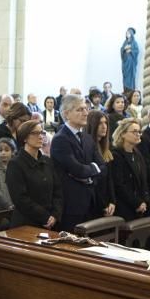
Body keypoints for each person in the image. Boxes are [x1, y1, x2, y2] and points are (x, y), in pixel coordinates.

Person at [51, 95, 103, 231]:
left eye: (86, 109)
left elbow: (103, 166)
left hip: (91, 201)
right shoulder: (60, 139)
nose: (86, 113)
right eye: (80, 110)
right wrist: (93, 169)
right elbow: (76, 169)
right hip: (71, 204)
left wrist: (89, 175)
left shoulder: (87, 137)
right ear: (67, 114)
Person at [6, 120, 62, 229]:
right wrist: (45, 217)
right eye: (35, 133)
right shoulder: (15, 164)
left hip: (51, 222)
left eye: (42, 133)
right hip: (26, 224)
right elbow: (20, 199)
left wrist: (55, 215)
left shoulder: (47, 161)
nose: (41, 136)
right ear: (25, 138)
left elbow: (58, 191)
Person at [110, 118, 150, 220]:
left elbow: (143, 180)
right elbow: (119, 184)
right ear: (123, 134)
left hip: (140, 206)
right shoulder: (116, 155)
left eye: (139, 132)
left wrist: (144, 201)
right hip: (124, 207)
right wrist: (136, 203)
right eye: (134, 132)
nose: (138, 134)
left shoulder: (137, 154)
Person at [86, 110, 116, 217]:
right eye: (100, 123)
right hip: (94, 204)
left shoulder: (107, 148)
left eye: (106, 123)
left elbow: (109, 178)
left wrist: (112, 201)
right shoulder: (87, 147)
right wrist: (104, 205)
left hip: (107, 202)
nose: (104, 127)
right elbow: (94, 180)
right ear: (92, 125)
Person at [121, 27, 139, 93]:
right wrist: (124, 49)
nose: (127, 34)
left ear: (131, 34)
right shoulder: (125, 42)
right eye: (126, 33)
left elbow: (136, 51)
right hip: (125, 63)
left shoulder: (134, 43)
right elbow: (122, 50)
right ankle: (125, 89)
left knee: (130, 76)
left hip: (131, 62)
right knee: (125, 76)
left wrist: (131, 50)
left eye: (128, 33)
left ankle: (130, 89)